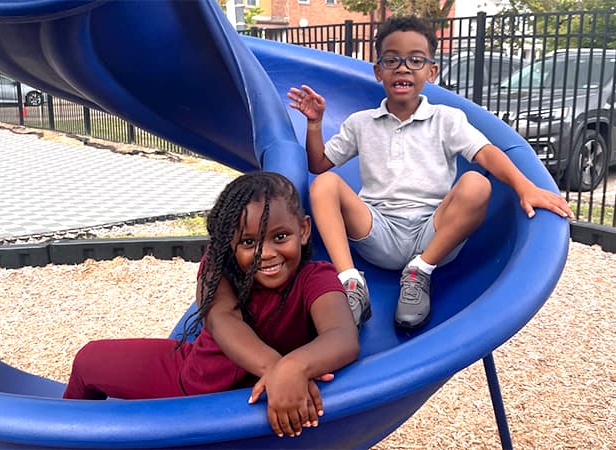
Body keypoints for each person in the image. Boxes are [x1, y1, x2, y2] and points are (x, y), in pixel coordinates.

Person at [287, 16, 573, 330]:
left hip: (434, 235)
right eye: (392, 60)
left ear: (431, 71)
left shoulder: (447, 119)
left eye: (416, 60)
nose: (403, 68)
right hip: (378, 230)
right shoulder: (361, 122)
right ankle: (351, 283)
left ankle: (419, 272)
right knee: (325, 184)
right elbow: (319, 164)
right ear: (378, 71)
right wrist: (314, 124)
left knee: (476, 183)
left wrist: (524, 187)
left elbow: (487, 153)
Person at [62, 171, 359, 438]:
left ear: (304, 230)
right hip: (189, 382)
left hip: (236, 392)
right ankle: (65, 439)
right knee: (89, 360)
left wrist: (294, 367)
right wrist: (277, 370)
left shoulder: (315, 278)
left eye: (280, 237)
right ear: (229, 242)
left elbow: (342, 335)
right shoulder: (219, 268)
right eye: (248, 242)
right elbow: (222, 319)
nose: (265, 253)